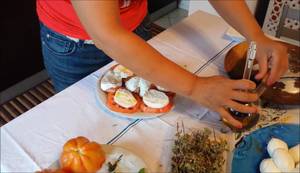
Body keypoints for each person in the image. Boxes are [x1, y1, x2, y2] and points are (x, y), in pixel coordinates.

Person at [36, 0, 288, 128]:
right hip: (76, 44)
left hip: (133, 25)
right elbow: (107, 34)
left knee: (144, 115)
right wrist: (195, 87)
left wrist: (256, 35)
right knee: (87, 122)